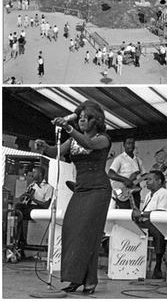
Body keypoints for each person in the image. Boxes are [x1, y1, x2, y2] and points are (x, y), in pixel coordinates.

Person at [33, 101, 112, 294]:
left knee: (89, 235)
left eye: (87, 117)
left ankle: (89, 281)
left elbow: (89, 144)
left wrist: (68, 127)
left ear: (97, 120)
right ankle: (75, 278)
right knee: (71, 229)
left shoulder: (103, 139)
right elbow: (56, 152)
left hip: (98, 190)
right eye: (80, 116)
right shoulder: (74, 140)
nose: (82, 119)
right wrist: (44, 147)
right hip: (80, 190)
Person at [131, 170, 167, 279]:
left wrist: (140, 213)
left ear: (159, 181)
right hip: (146, 222)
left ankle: (158, 267)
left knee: (158, 233)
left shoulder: (165, 193)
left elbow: (161, 213)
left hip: (159, 223)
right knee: (129, 228)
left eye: (150, 179)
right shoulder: (149, 194)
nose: (147, 182)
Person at [13, 166, 53, 249]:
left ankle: (21, 237)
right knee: (17, 207)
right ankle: (19, 236)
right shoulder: (32, 184)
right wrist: (23, 197)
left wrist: (33, 198)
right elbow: (24, 197)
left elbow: (46, 205)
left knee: (23, 213)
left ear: (40, 174)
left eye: (34, 172)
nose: (32, 174)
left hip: (39, 208)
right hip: (29, 206)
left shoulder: (48, 187)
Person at [108, 136, 143, 209]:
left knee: (135, 214)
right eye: (128, 143)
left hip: (135, 191)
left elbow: (144, 175)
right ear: (124, 145)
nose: (131, 145)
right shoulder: (119, 158)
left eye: (132, 143)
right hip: (123, 191)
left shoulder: (138, 160)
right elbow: (111, 174)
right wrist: (125, 180)